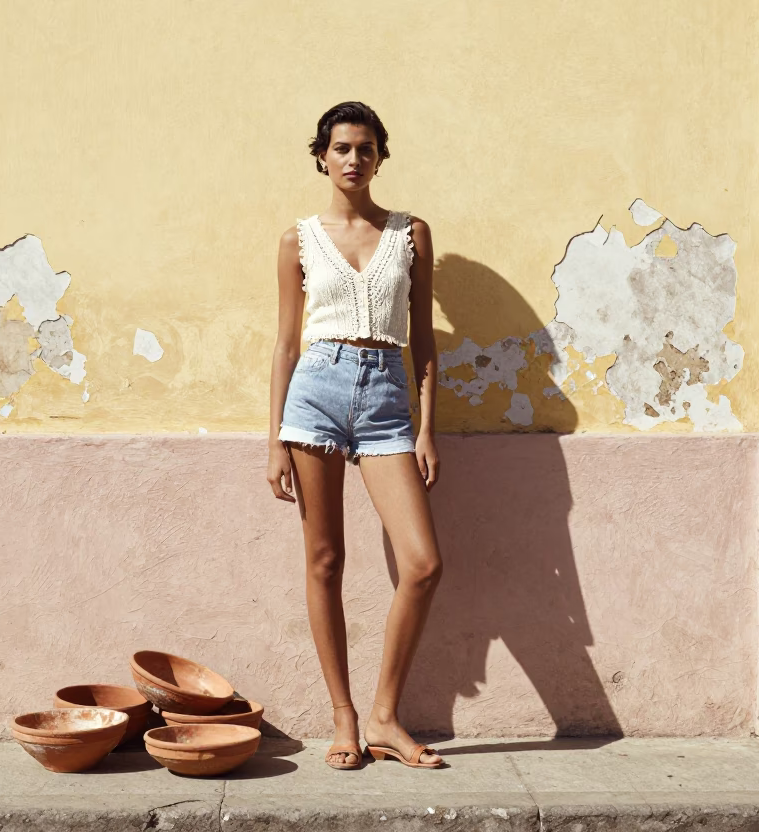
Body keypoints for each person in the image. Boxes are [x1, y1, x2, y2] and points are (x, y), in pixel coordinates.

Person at [266, 102, 444, 770]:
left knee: (423, 562)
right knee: (325, 560)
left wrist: (428, 428)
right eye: (341, 148)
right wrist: (274, 440)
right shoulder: (299, 239)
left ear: (380, 156)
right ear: (321, 156)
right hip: (316, 390)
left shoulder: (410, 234)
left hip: (387, 399)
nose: (353, 159)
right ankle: (344, 718)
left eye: (365, 148)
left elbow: (423, 341)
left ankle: (385, 717)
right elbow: (285, 343)